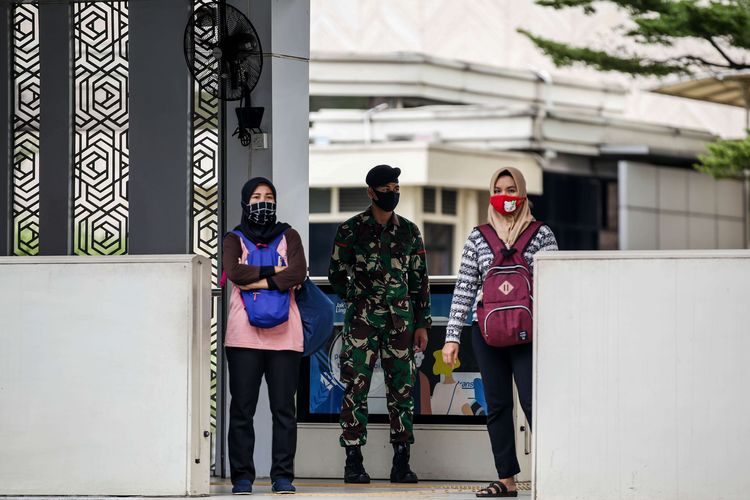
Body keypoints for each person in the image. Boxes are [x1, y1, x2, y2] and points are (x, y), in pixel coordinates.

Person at [442, 167, 558, 498]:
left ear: (522, 194)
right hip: (487, 334)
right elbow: (464, 289)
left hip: (529, 335)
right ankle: (506, 479)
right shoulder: (478, 236)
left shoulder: (542, 234)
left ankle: (552, 472)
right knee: (496, 406)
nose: (505, 196)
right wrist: (452, 338)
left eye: (511, 190)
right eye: (498, 189)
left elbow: (555, 288)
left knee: (535, 404)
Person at [328, 164, 431, 484]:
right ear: (371, 192)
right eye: (386, 189)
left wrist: (422, 324)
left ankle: (402, 460)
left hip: (400, 323)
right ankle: (353, 460)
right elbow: (335, 272)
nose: (392, 194)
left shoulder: (410, 232)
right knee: (355, 388)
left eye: (396, 187)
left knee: (402, 390)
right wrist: (358, 300)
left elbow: (419, 281)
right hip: (361, 322)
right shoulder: (351, 230)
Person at [223, 177, 307, 495]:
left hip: (286, 337)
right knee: (242, 408)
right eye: (256, 197)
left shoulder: (289, 235)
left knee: (283, 409)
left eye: (269, 196)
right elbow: (234, 272)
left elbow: (298, 272)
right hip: (243, 337)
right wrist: (277, 274)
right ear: (246, 202)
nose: (263, 202)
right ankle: (242, 477)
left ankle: (282, 476)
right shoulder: (235, 238)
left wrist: (257, 281)